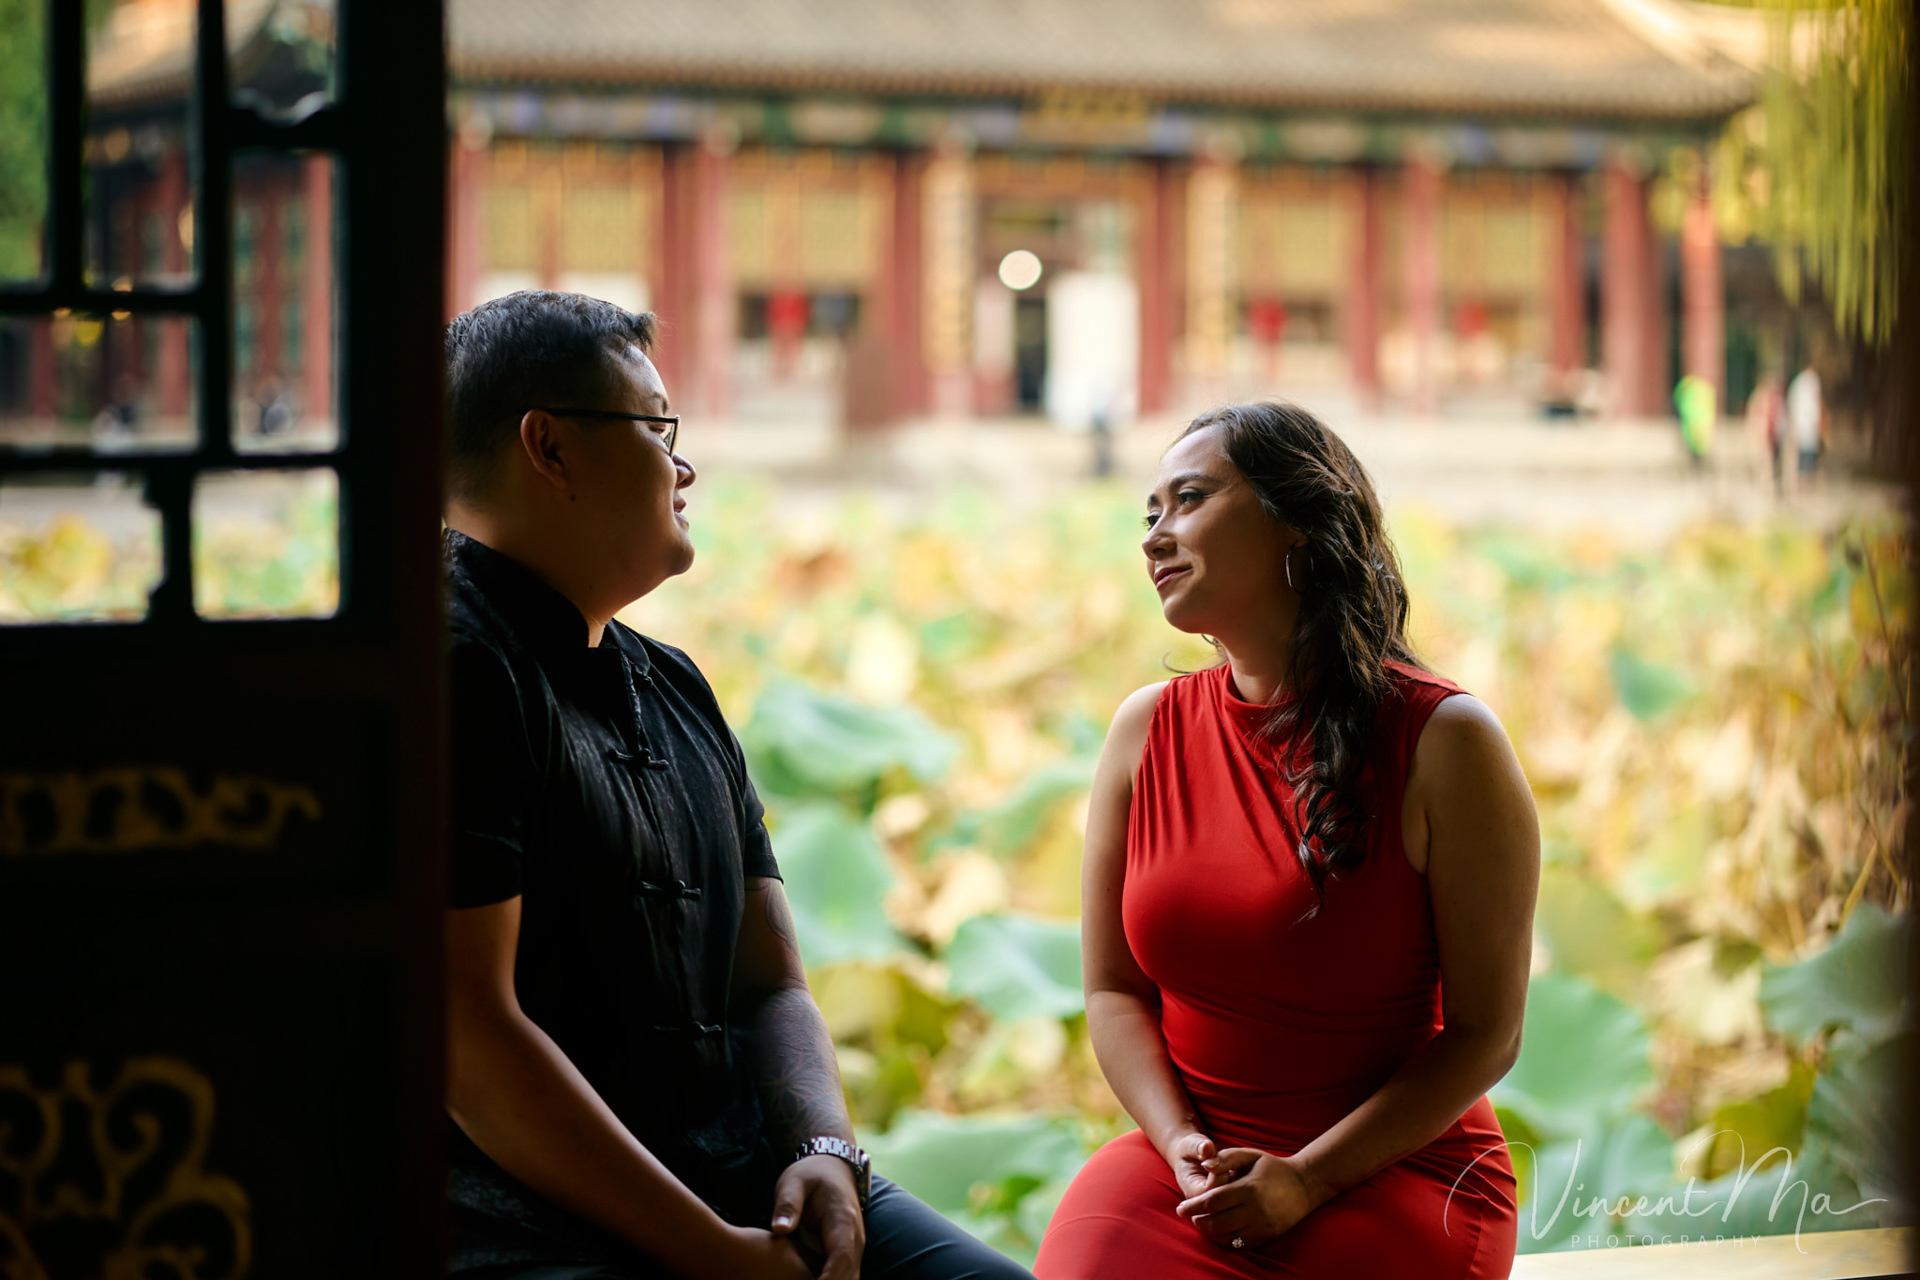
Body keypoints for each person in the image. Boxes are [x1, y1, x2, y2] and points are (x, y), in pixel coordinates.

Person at [441, 290, 1034, 1280]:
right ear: (548, 447)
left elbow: (772, 981)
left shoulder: (673, 681)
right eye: (657, 426)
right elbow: (469, 1033)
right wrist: (709, 1253)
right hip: (531, 1220)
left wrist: (824, 1148)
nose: (687, 464)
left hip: (753, 1176)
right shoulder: (456, 665)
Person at [1034, 402, 1538, 1279]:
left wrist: (1306, 1179)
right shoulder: (1143, 731)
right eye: (1148, 514)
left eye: (1188, 500)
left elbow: (1488, 1032)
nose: (1156, 536)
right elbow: (1113, 991)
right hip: (1192, 1166)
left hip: (1394, 1170)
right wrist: (1178, 1138)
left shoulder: (1446, 740)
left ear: (1296, 523)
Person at [1787, 363, 1825, 484]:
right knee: (1808, 455)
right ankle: (1806, 480)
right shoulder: (1811, 381)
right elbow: (1815, 405)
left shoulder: (1797, 382)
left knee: (1804, 454)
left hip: (1801, 424)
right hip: (1808, 425)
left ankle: (1803, 480)